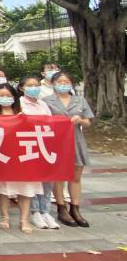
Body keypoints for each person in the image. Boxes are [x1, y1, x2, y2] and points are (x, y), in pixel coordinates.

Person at [44, 71, 93, 227]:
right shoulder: (46, 101)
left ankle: (75, 208)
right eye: (60, 82)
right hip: (55, 142)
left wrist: (81, 120)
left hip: (76, 141)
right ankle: (61, 208)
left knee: (76, 176)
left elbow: (88, 122)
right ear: (53, 84)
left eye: (66, 82)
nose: (63, 85)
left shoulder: (80, 100)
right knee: (58, 176)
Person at [0, 83, 38, 234]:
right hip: (1, 155)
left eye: (8, 95)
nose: (5, 98)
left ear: (14, 97)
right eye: (1, 95)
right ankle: (5, 216)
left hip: (22, 156)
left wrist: (26, 120)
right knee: (3, 188)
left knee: (25, 188)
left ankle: (24, 219)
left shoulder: (23, 113)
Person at [18, 74, 59, 229]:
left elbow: (51, 123)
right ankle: (35, 211)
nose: (34, 88)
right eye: (30, 85)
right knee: (32, 179)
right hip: (27, 145)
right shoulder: (19, 103)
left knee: (47, 179)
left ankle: (45, 211)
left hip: (45, 144)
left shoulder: (43, 104)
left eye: (36, 85)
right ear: (22, 88)